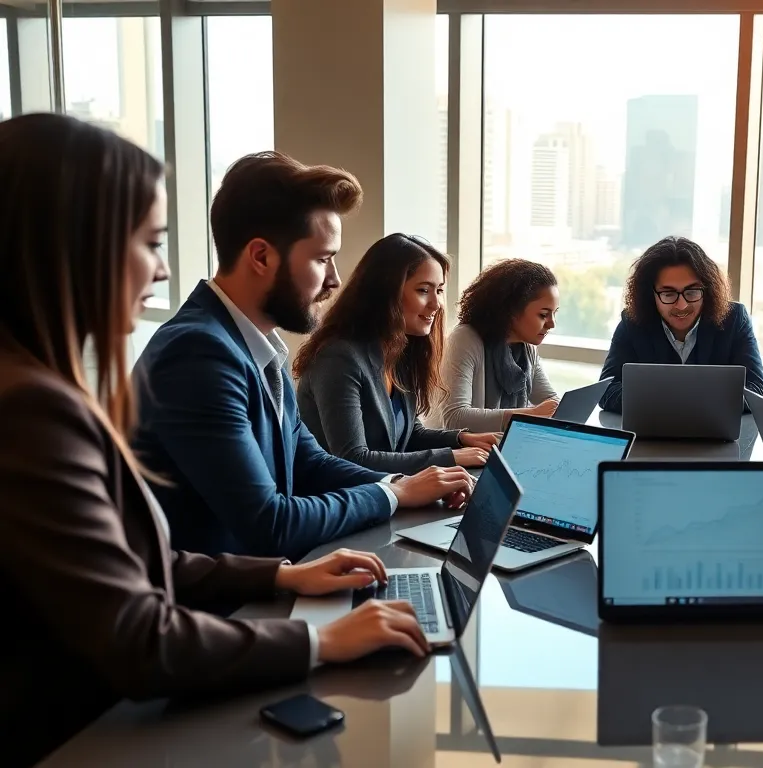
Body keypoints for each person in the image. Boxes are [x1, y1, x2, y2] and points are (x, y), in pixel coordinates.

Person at [0, 114, 433, 768]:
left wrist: (287, 574)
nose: (164, 268)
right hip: (82, 733)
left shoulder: (40, 384)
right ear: (73, 245)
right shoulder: (37, 406)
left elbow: (151, 561)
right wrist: (321, 643)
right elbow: (142, 640)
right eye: (149, 242)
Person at [133, 152, 473, 561]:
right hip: (221, 607)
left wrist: (406, 484)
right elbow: (269, 524)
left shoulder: (256, 348)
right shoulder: (199, 355)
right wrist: (393, 494)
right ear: (261, 257)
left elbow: (309, 462)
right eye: (322, 259)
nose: (335, 280)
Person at [294, 234, 500, 474]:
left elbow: (409, 435)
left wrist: (462, 440)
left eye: (440, 290)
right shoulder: (338, 358)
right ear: (385, 293)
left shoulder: (399, 351)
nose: (437, 304)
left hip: (383, 494)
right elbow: (353, 458)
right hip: (336, 501)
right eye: (424, 290)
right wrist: (452, 457)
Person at [598, 236, 763, 412]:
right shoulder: (632, 322)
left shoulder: (735, 320)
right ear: (651, 295)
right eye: (668, 294)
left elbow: (758, 393)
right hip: (653, 435)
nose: (682, 305)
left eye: (692, 292)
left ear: (707, 290)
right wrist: (689, 401)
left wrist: (670, 400)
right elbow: (605, 391)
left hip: (716, 437)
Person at [441, 258, 561, 431]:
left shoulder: (527, 348)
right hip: (464, 453)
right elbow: (454, 418)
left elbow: (550, 403)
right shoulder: (466, 339)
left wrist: (551, 409)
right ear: (511, 311)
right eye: (543, 315)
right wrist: (529, 415)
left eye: (554, 314)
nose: (552, 324)